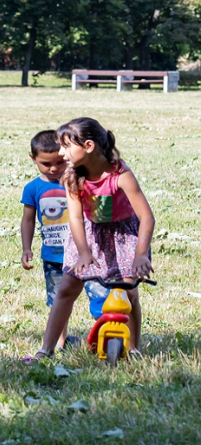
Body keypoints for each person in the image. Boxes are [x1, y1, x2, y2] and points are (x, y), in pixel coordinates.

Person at [26, 118, 155, 362]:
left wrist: (141, 254)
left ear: (88, 146)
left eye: (66, 146)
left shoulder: (120, 175)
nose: (61, 153)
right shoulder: (72, 176)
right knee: (66, 289)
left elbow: (147, 217)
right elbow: (75, 217)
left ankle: (134, 348)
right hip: (88, 236)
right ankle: (46, 349)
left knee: (128, 293)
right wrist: (83, 252)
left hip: (123, 238)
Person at [20, 130, 107, 352]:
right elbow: (28, 220)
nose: (54, 168)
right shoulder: (33, 188)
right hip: (53, 256)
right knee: (58, 300)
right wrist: (26, 248)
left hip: (85, 254)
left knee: (100, 295)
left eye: (59, 162)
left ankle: (105, 337)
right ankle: (60, 342)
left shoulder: (78, 181)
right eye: (46, 164)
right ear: (33, 159)